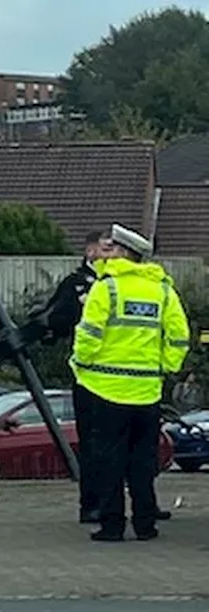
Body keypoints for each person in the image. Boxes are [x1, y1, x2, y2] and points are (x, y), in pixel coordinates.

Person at [71, 224, 190, 542]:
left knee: (109, 461)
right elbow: (179, 336)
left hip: (105, 390)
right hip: (147, 392)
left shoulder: (106, 288)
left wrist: (81, 364)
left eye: (112, 249)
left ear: (124, 253)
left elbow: (89, 333)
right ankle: (145, 524)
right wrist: (165, 367)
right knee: (142, 461)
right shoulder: (163, 289)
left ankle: (112, 526)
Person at [26, 229, 112, 523]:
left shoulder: (119, 285)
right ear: (90, 251)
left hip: (123, 378)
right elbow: (54, 318)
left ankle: (132, 502)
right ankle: (92, 504)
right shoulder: (76, 284)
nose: (111, 253)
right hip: (89, 377)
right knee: (92, 442)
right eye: (106, 248)